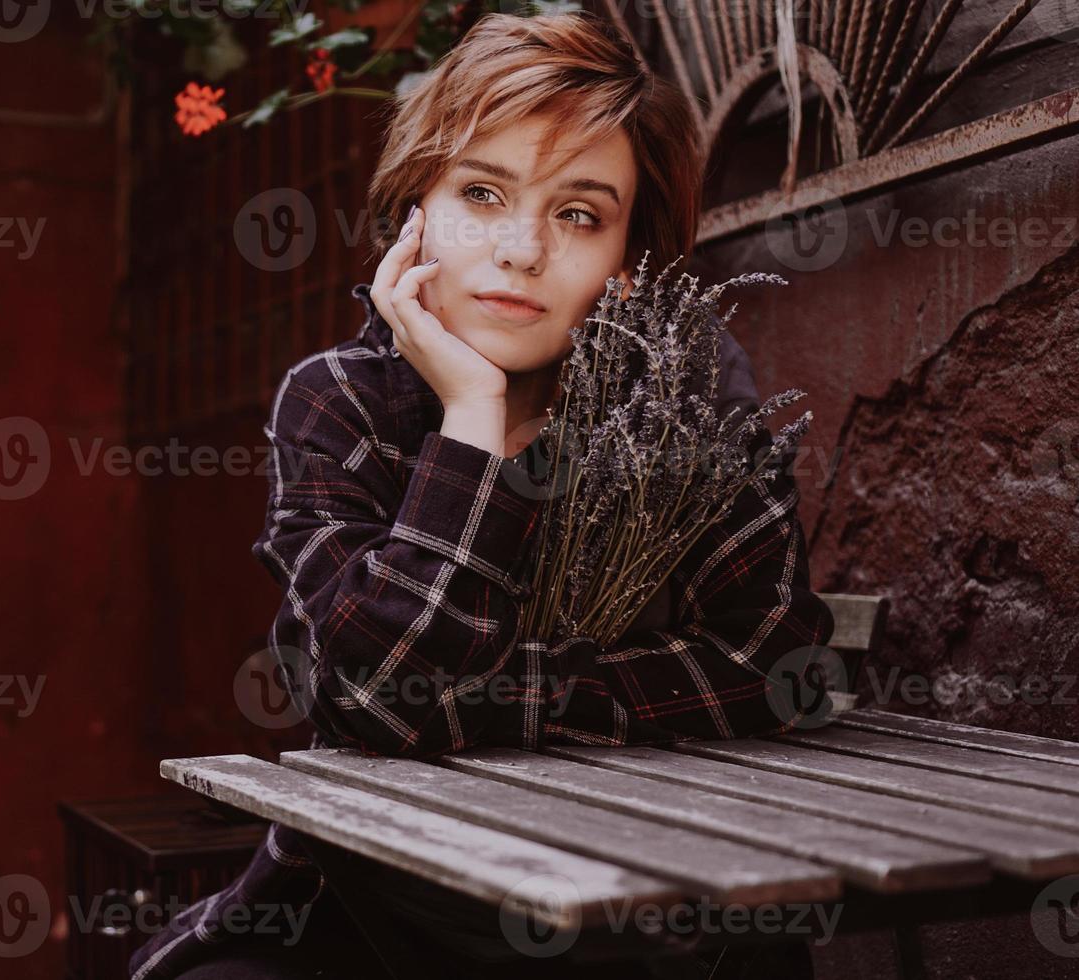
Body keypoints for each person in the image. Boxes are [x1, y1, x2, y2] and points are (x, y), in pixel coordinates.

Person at [129, 10, 834, 979]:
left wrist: (493, 690)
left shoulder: (682, 402)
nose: (522, 248)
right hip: (372, 904)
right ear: (415, 206)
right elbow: (381, 697)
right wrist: (471, 414)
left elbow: (775, 664)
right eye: (482, 192)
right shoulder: (341, 403)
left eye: (579, 213)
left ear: (627, 263)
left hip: (641, 910)